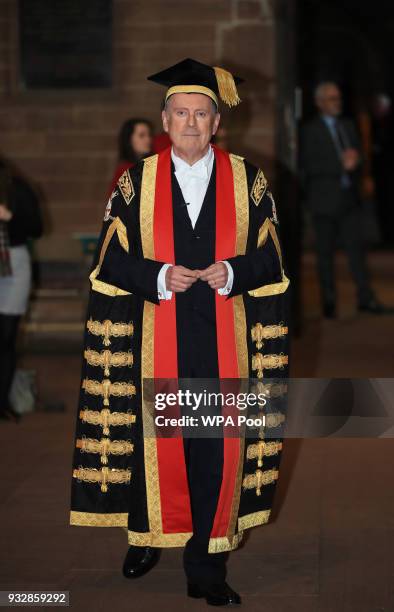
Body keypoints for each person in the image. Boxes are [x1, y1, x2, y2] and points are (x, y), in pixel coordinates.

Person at [70, 58, 290, 605]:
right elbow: (108, 261)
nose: (191, 123)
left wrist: (236, 271)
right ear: (164, 120)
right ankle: (146, 538)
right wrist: (158, 275)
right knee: (155, 445)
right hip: (156, 336)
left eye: (202, 114)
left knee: (215, 449)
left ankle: (206, 570)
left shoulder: (249, 181)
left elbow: (274, 259)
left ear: (218, 123)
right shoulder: (134, 182)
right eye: (181, 113)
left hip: (224, 342)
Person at [299, 82, 388, 318]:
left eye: (338, 98)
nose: (336, 103)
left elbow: (357, 155)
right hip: (324, 200)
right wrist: (341, 165)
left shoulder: (347, 125)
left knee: (356, 251)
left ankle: (366, 298)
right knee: (325, 255)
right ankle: (329, 302)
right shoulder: (310, 130)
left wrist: (356, 163)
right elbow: (309, 164)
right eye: (331, 99)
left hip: (348, 199)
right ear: (319, 103)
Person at [0, 157, 43, 421]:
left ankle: (2, 401)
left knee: (6, 337)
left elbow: (37, 228)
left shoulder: (16, 187)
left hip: (12, 264)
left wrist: (8, 216)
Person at [109, 118, 153, 194]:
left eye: (149, 135)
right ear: (129, 139)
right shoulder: (126, 170)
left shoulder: (153, 165)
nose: (148, 139)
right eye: (141, 135)